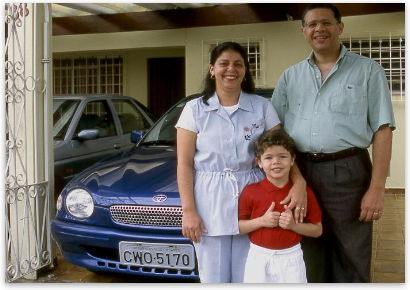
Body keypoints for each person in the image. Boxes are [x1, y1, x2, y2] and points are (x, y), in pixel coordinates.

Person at [271, 3, 396, 283]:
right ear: (303, 32)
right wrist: (295, 177)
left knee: (351, 252)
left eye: (326, 23)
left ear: (340, 27)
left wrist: (377, 188)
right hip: (300, 169)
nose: (319, 29)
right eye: (312, 24)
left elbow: (383, 130)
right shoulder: (291, 76)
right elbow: (275, 131)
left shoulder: (367, 70)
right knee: (307, 251)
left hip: (348, 170)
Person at [176, 42, 306, 283]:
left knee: (251, 272)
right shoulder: (194, 109)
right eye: (223, 63)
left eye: (238, 64)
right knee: (213, 275)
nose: (231, 69)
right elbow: (184, 164)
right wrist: (189, 211)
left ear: (246, 70)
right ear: (212, 69)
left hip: (255, 196)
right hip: (209, 200)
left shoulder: (261, 107)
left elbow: (282, 150)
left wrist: (299, 182)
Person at [238, 130, 322, 283]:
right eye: (269, 157)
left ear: (292, 160)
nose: (276, 162)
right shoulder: (251, 192)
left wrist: (293, 225)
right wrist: (262, 221)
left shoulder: (303, 194)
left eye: (282, 156)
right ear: (259, 162)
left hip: (291, 258)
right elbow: (238, 227)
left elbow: (317, 230)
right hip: (258, 257)